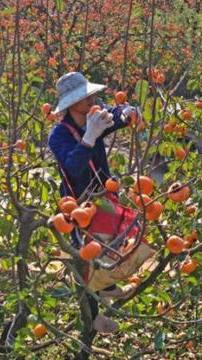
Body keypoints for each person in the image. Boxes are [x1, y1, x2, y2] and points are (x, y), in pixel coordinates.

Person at [48, 71, 141, 334]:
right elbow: (74, 168)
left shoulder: (95, 116)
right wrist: (89, 138)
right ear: (70, 104)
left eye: (90, 94)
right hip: (77, 204)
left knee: (112, 245)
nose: (91, 99)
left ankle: (108, 288)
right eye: (84, 96)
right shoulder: (59, 135)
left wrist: (126, 112)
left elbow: (118, 112)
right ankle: (94, 318)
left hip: (102, 195)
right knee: (85, 261)